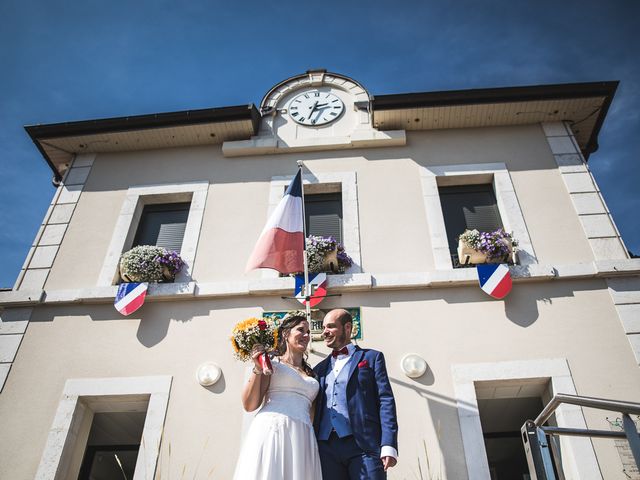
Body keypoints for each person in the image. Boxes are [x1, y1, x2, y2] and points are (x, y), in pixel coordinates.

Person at [232, 314, 322, 480]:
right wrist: (258, 368)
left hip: (303, 435)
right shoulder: (272, 363)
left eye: (308, 331)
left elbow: (313, 413)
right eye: (301, 330)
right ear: (285, 334)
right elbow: (249, 405)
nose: (306, 335)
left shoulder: (313, 375)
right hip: (274, 429)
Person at [313, 308, 399, 479]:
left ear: (347, 328)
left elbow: (385, 401)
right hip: (326, 448)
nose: (325, 332)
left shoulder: (372, 358)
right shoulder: (319, 369)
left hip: (364, 445)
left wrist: (388, 444)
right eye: (323, 328)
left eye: (330, 327)